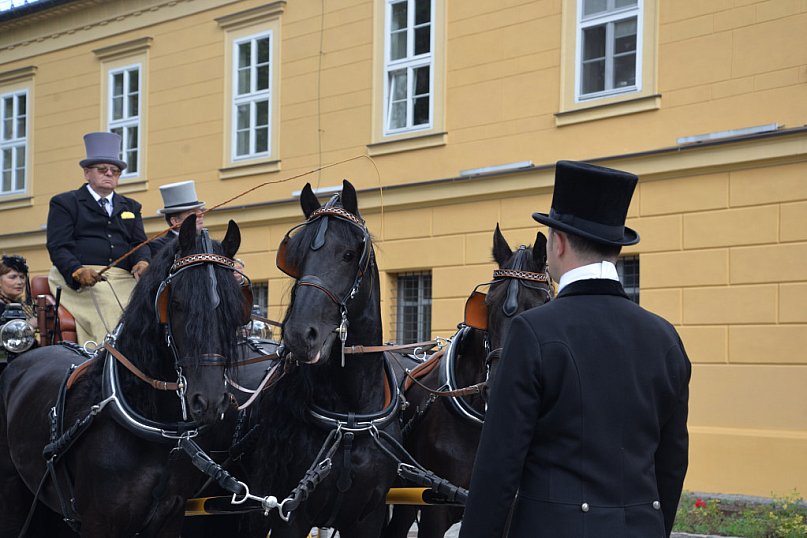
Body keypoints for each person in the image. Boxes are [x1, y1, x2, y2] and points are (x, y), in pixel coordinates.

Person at [459, 161, 691, 538]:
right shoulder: (665, 338)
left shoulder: (532, 332)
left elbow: (499, 465)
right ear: (616, 247)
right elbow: (672, 463)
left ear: (559, 243)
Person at [46, 131, 150, 346]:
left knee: (149, 305)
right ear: (87, 173)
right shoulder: (65, 203)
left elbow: (138, 243)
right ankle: (107, 358)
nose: (110, 173)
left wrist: (143, 261)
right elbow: (59, 246)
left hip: (122, 277)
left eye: (115, 170)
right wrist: (77, 271)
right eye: (102, 169)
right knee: (111, 307)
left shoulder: (131, 206)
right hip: (79, 277)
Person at [149, 180, 205, 255]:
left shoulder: (205, 241)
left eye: (200, 210)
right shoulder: (160, 247)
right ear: (175, 221)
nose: (201, 214)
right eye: (192, 212)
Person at [0, 255, 34, 322]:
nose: (19, 282)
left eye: (22, 277)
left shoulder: (23, 306)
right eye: (12, 277)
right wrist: (29, 324)